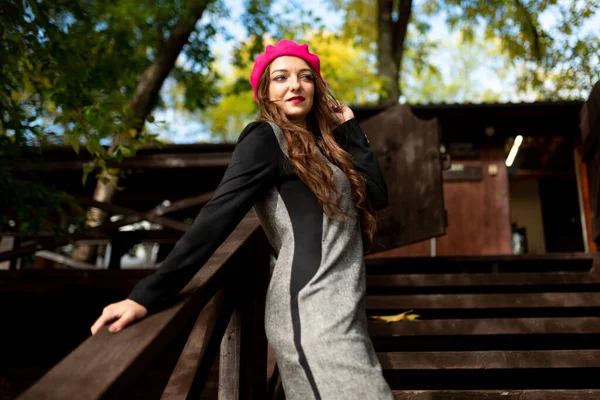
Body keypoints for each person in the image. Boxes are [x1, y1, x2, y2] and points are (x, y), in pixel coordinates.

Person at [91, 39, 394, 399]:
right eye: (281, 78)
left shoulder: (325, 151)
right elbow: (215, 218)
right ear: (265, 93)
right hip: (310, 312)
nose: (295, 85)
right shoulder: (265, 139)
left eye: (305, 77)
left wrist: (349, 128)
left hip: (344, 310)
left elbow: (377, 195)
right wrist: (146, 295)